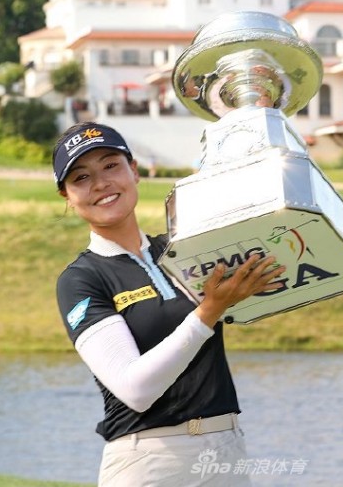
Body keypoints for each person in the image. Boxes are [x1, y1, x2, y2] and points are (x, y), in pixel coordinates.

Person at [52, 122, 285, 486]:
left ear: (135, 171)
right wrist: (208, 311)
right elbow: (136, 390)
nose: (100, 184)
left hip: (225, 448)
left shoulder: (184, 249)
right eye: (81, 177)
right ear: (67, 196)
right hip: (148, 459)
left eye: (111, 166)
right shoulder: (82, 279)